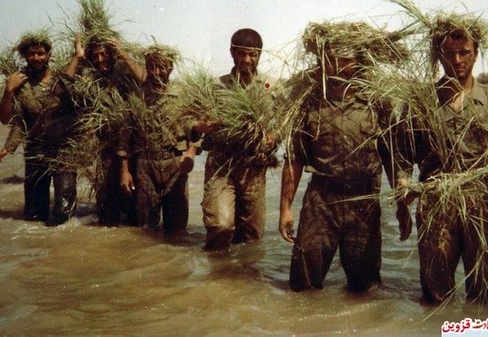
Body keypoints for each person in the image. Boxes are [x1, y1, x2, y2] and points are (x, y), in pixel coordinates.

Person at [395, 18, 488, 304]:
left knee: (487, 294)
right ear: (438, 56)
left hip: (482, 208)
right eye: (449, 53)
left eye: (464, 52)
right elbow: (402, 157)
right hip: (435, 206)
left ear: (476, 54)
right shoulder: (419, 104)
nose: (457, 60)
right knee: (435, 296)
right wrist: (403, 190)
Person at [278, 24, 395, 292]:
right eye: (333, 59)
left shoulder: (377, 102)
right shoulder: (308, 102)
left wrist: (400, 202)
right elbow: (294, 158)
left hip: (363, 200)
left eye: (346, 59)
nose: (339, 66)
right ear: (323, 61)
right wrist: (285, 209)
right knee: (303, 284)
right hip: (321, 199)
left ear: (359, 61)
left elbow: (390, 154)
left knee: (364, 288)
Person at [199, 28, 276, 250]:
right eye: (242, 54)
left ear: (260, 55)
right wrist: (201, 128)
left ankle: (244, 272)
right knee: (220, 226)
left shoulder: (271, 87)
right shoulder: (217, 86)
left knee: (252, 236)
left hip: (254, 168)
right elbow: (194, 119)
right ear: (232, 52)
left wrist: (274, 138)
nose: (247, 60)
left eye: (253, 55)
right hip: (221, 166)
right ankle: (217, 269)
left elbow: (283, 122)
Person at [0, 32, 78, 225]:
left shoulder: (60, 78)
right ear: (25, 56)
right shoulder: (19, 82)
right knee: (34, 214)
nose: (36, 58)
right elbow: (9, 119)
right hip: (35, 149)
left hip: (64, 149)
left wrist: (78, 55)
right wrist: (9, 91)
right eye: (31, 54)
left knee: (63, 212)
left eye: (41, 53)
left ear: (49, 55)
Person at [119, 46, 198, 235]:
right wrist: (125, 171)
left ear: (171, 68)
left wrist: (191, 153)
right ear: (146, 67)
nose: (156, 72)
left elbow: (196, 133)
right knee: (146, 230)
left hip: (175, 166)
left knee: (177, 230)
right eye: (152, 67)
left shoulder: (184, 95)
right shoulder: (137, 97)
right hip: (145, 167)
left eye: (162, 67)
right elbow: (125, 137)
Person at [66, 35, 140, 226]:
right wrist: (78, 58)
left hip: (132, 151)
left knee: (135, 217)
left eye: (104, 54)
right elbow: (64, 88)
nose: (100, 60)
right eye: (95, 56)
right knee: (108, 217)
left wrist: (122, 52)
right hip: (105, 154)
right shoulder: (90, 81)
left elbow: (144, 79)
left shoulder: (125, 77)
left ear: (113, 55)